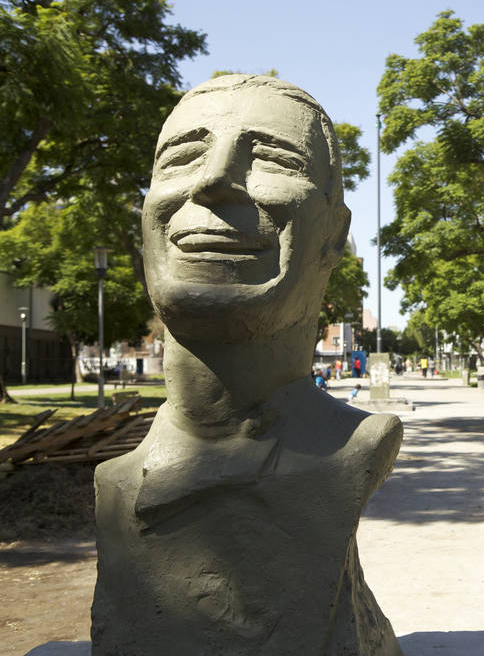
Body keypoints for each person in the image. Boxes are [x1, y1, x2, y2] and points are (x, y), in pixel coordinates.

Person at [91, 74, 402, 655]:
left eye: (272, 159)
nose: (212, 181)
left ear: (333, 237)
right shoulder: (117, 482)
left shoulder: (351, 448)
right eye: (183, 157)